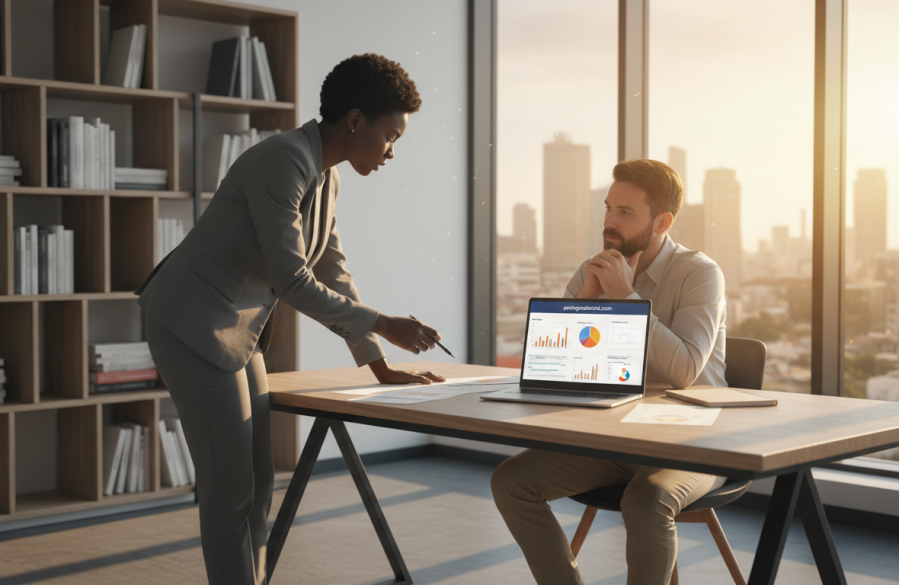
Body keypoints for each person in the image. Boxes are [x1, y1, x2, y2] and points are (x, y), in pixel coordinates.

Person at [135, 54, 447, 585]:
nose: (393, 151)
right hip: (192, 321)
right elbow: (294, 280)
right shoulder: (284, 160)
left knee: (259, 487)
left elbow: (334, 270)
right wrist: (384, 323)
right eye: (391, 135)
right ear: (354, 121)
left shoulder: (328, 177)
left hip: (236, 331)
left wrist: (379, 365)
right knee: (229, 491)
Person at [491, 158, 728, 585]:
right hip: (616, 437)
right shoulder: (592, 270)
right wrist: (585, 300)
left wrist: (626, 298)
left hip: (694, 441)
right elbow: (563, 372)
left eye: (625, 212)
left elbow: (685, 371)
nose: (609, 222)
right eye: (607, 208)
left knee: (646, 499)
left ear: (662, 221)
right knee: (511, 482)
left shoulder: (700, 273)